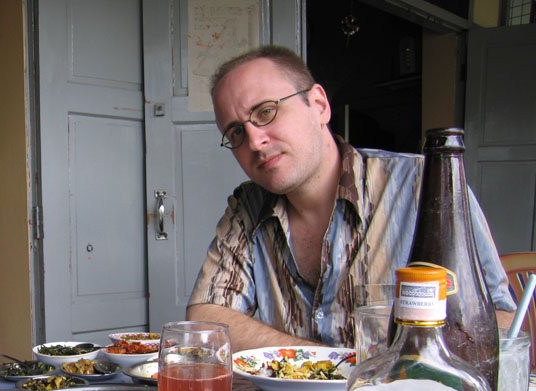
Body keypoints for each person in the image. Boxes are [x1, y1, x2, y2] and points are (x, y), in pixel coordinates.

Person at [187, 45, 515, 351]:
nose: (255, 141)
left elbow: (499, 322)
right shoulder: (248, 206)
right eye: (236, 133)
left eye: (266, 112)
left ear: (319, 105)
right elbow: (206, 317)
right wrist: (326, 368)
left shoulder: (424, 185)